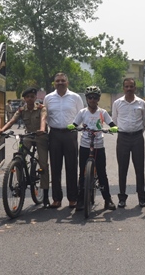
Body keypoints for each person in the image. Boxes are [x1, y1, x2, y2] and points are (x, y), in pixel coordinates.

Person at [69, 85, 117, 211]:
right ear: (86, 99)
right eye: (90, 97)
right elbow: (75, 124)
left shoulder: (102, 112)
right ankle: (80, 200)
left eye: (95, 97)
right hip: (85, 145)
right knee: (82, 174)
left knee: (102, 173)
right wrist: (71, 126)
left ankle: (108, 200)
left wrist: (114, 127)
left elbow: (111, 123)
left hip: (98, 146)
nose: (92, 100)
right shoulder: (82, 112)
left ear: (98, 99)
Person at [2, 86, 51, 208]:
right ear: (24, 98)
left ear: (35, 98)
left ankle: (45, 195)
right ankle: (20, 183)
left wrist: (42, 129)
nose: (30, 99)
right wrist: (1, 130)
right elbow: (12, 121)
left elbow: (43, 119)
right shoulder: (21, 110)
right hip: (29, 135)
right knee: (19, 157)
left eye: (32, 97)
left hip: (41, 136)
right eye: (27, 97)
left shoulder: (41, 108)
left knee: (43, 163)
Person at [43, 73, 84, 208]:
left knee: (71, 167)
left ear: (67, 82)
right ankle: (56, 198)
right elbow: (44, 115)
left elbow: (81, 115)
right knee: (55, 167)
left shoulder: (75, 97)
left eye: (62, 80)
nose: (60, 83)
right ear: (54, 83)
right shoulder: (48, 98)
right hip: (54, 134)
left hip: (70, 134)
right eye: (57, 81)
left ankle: (72, 198)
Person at [111, 78, 145, 208]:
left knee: (139, 168)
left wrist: (137, 132)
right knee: (122, 169)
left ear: (135, 88)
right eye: (126, 86)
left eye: (131, 86)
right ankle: (122, 197)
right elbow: (115, 120)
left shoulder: (141, 103)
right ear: (123, 88)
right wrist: (125, 131)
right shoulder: (117, 103)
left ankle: (141, 197)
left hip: (138, 138)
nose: (129, 89)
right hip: (123, 138)